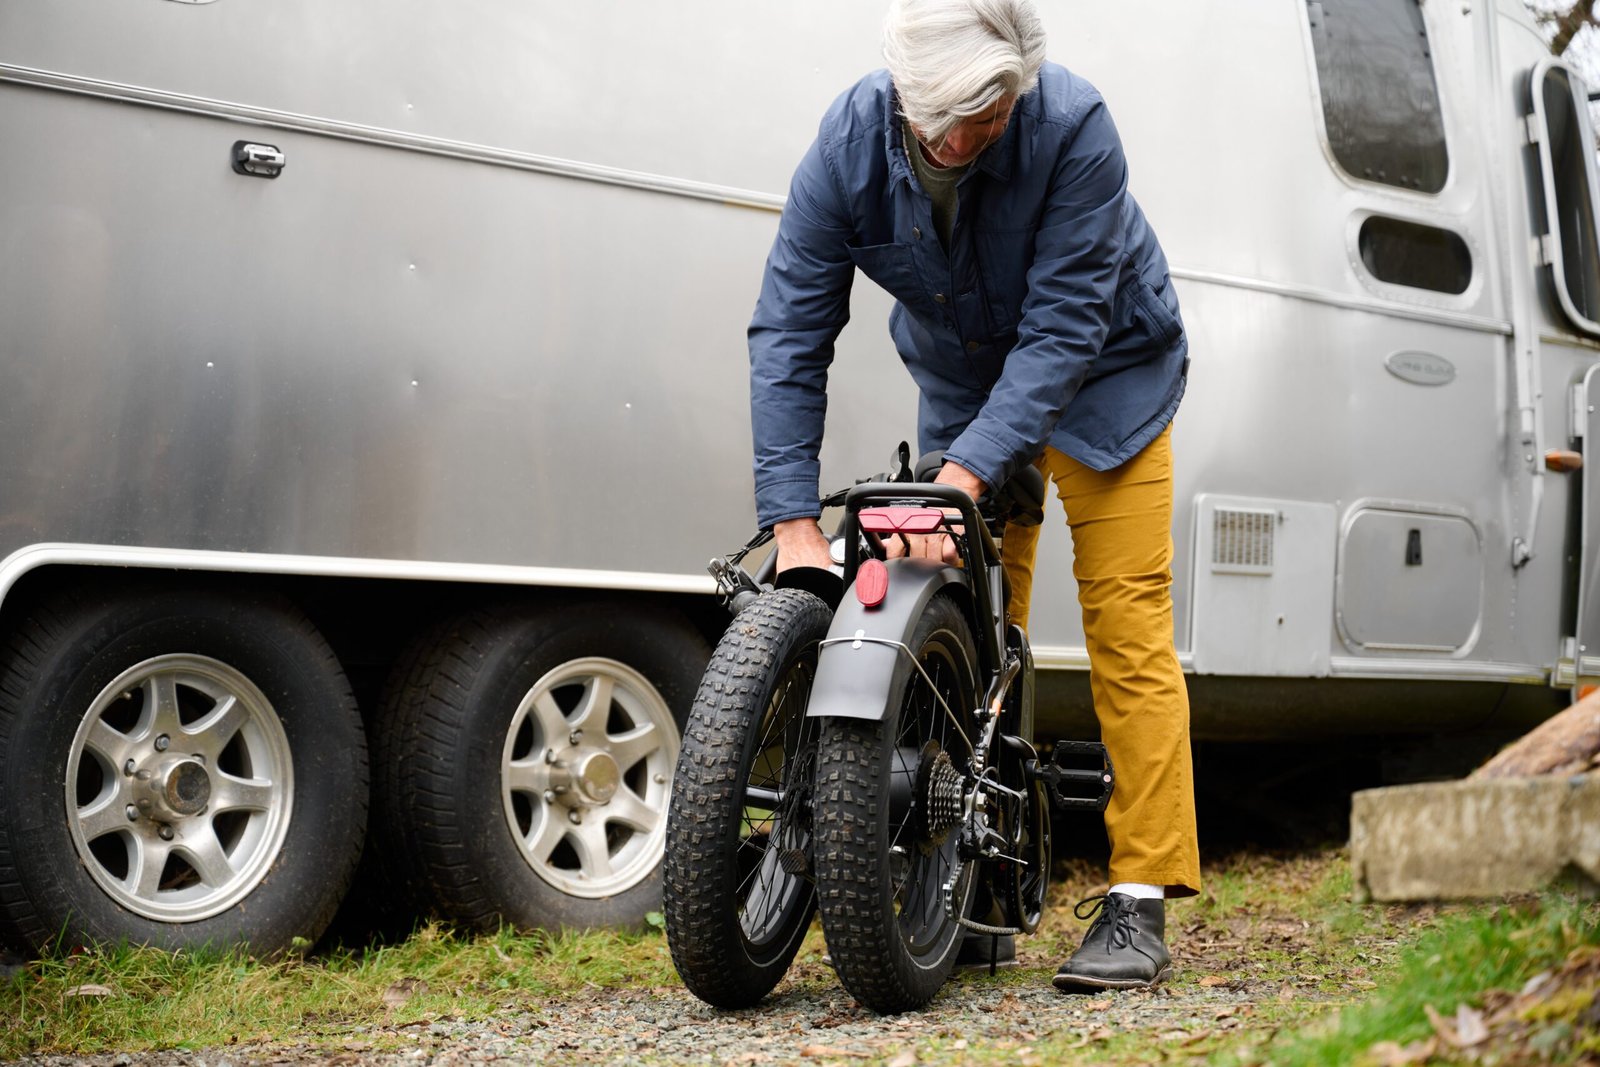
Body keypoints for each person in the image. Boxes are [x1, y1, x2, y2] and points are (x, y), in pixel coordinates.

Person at [747, 0, 1200, 991]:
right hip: (965, 382)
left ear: (1017, 91)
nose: (960, 141)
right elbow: (789, 327)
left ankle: (1138, 896)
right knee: (963, 620)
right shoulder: (847, 145)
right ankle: (977, 881)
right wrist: (792, 523)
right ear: (902, 95)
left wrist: (960, 479)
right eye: (941, 121)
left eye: (987, 117)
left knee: (1125, 615)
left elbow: (1064, 331)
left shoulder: (1074, 128)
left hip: (1109, 376)